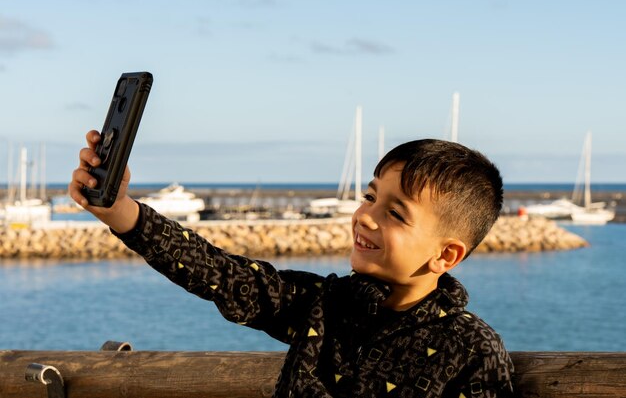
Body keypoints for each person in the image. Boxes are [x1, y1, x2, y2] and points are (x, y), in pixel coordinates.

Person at [69, 131, 514, 398]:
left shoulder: (471, 348)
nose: (365, 216)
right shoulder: (323, 305)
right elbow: (221, 275)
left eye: (395, 213)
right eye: (370, 197)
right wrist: (119, 210)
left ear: (447, 254)